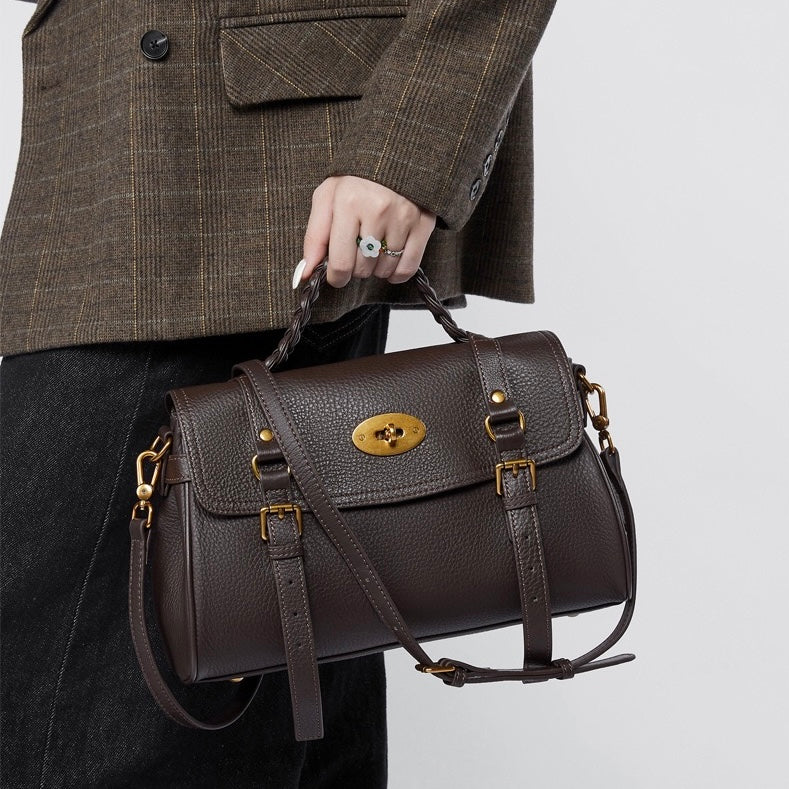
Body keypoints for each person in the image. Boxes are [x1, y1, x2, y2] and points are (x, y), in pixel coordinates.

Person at [0, 0, 558, 786]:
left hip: (254, 168)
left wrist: (406, 146)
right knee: (260, 682)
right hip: (130, 151)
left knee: (99, 699)